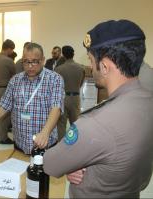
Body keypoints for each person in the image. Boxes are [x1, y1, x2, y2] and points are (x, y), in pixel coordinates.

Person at [43, 19, 153, 198]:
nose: (91, 67)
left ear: (104, 67)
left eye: (91, 60)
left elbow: (50, 164)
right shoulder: (148, 100)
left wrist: (76, 163)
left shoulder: (95, 123)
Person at [0, 42, 64, 154]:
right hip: (20, 145)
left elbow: (56, 107)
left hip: (45, 146)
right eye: (26, 62)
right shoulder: (15, 80)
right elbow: (4, 105)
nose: (30, 66)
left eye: (35, 61)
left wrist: (45, 132)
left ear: (43, 60)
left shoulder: (54, 79)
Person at [55, 45, 85, 140]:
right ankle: (75, 145)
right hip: (75, 98)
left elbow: (56, 86)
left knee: (61, 124)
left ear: (63, 55)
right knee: (75, 124)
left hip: (63, 98)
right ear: (73, 54)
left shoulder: (58, 69)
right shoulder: (81, 68)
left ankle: (61, 146)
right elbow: (80, 84)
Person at [0, 39, 16, 144]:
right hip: (5, 89)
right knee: (5, 113)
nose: (12, 52)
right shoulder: (8, 61)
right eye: (12, 50)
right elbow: (14, 75)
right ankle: (3, 137)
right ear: (9, 49)